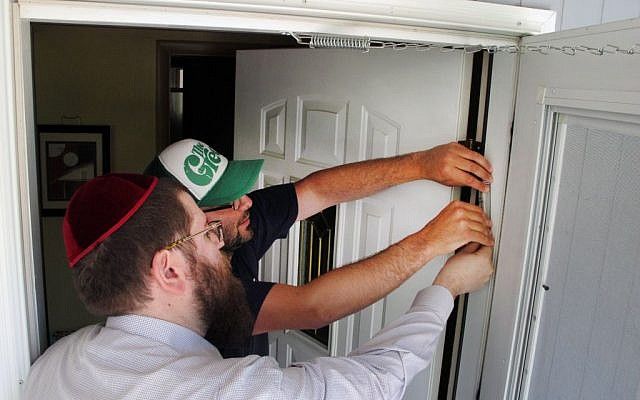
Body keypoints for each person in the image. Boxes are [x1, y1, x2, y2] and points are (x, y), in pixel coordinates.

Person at [24, 173, 494, 399]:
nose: (221, 242)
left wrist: (422, 162)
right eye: (207, 233)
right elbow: (375, 381)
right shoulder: (219, 391)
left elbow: (314, 192)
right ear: (169, 271)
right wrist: (446, 287)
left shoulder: (52, 367)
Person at [145, 139, 494, 356]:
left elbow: (316, 192)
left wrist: (422, 164)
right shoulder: (194, 295)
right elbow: (314, 307)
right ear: (193, 220)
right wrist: (430, 242)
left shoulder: (232, 228)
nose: (246, 202)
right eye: (229, 200)